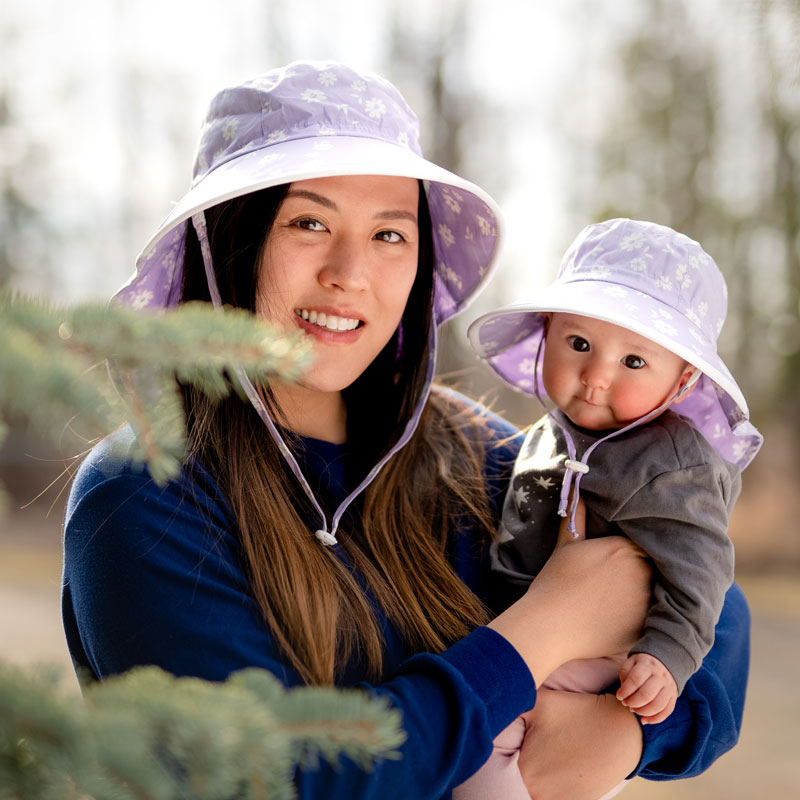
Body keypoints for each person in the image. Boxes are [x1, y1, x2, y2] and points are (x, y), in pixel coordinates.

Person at [61, 62, 751, 800]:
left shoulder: (478, 458)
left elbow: (718, 609)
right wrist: (545, 631)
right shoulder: (143, 497)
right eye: (309, 222)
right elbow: (269, 778)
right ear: (229, 241)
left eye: (390, 232)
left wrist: (623, 734)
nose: (351, 272)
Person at [461, 218, 762, 799]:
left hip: (607, 649)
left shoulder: (672, 463)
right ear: (546, 335)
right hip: (536, 626)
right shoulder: (551, 434)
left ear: (682, 382)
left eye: (633, 362)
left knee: (483, 732)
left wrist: (666, 657)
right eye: (579, 344)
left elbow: (700, 568)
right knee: (490, 724)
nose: (595, 377)